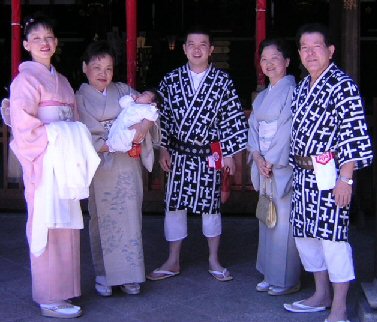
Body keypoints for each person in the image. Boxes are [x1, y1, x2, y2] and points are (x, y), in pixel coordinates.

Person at [8, 14, 99, 319]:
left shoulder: (61, 81)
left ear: (56, 43)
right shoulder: (25, 81)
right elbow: (24, 126)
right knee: (47, 223)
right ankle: (48, 295)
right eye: (37, 39)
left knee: (67, 224)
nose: (44, 43)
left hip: (64, 161)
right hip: (45, 162)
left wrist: (71, 134)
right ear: (25, 45)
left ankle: (65, 288)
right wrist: (60, 133)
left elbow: (73, 118)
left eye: (49, 38)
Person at [283, 23, 373, 322]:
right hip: (304, 173)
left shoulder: (342, 85)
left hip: (331, 173)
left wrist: (346, 178)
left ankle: (339, 308)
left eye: (316, 46)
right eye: (304, 48)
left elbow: (352, 133)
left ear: (330, 51)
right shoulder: (302, 85)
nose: (310, 53)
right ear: (299, 53)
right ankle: (321, 294)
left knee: (333, 240)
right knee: (306, 236)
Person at [146, 26, 248, 282]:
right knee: (174, 207)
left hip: (208, 154)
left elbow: (232, 119)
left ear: (211, 49)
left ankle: (214, 259)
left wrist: (227, 153)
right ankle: (173, 260)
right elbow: (164, 119)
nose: (197, 48)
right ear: (184, 49)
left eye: (203, 44)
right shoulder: (171, 80)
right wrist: (163, 149)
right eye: (191, 44)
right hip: (179, 153)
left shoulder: (222, 82)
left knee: (211, 207)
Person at [76, 40, 159, 297]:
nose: (103, 73)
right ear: (85, 68)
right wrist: (109, 143)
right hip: (100, 164)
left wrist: (143, 129)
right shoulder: (78, 99)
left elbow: (148, 109)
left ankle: (130, 274)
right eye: (97, 67)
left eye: (109, 68)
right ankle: (104, 273)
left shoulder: (123, 90)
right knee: (101, 219)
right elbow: (84, 133)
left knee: (129, 216)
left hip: (127, 164)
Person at [248, 38, 301, 296]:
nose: (269, 64)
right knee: (267, 217)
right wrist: (257, 156)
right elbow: (253, 128)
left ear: (287, 62)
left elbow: (288, 128)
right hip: (265, 164)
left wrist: (270, 159)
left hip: (281, 164)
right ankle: (269, 273)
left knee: (283, 223)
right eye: (264, 59)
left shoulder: (292, 90)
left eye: (275, 59)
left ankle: (286, 279)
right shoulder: (263, 95)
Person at [107, 89, 160, 158]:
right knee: (116, 133)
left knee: (127, 135)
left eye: (144, 95)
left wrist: (143, 126)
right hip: (122, 124)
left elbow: (153, 116)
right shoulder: (132, 103)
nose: (140, 95)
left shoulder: (148, 108)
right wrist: (130, 98)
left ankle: (116, 146)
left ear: (151, 102)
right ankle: (113, 144)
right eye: (141, 93)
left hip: (133, 128)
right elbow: (122, 103)